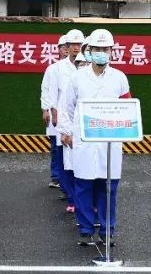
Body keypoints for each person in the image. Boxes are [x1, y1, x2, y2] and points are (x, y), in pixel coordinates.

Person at [59, 28, 131, 248]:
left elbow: (127, 108)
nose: (101, 52)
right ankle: (85, 229)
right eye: (97, 49)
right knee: (83, 186)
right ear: (89, 51)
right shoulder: (78, 78)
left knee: (108, 187)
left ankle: (107, 229)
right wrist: (68, 131)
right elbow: (66, 108)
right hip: (84, 143)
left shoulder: (119, 78)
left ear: (111, 51)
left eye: (105, 49)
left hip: (110, 143)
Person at [48, 30, 85, 212]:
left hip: (85, 122)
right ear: (67, 47)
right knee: (65, 160)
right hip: (65, 119)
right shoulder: (56, 69)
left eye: (80, 44)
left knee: (83, 162)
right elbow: (53, 95)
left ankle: (83, 200)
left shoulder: (89, 67)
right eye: (73, 45)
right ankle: (71, 197)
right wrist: (53, 115)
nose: (76, 48)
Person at [60, 47, 89, 215]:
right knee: (72, 170)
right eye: (79, 63)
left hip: (93, 136)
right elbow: (64, 108)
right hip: (73, 134)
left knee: (91, 174)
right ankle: (73, 201)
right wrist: (66, 132)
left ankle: (89, 205)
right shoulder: (73, 81)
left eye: (85, 62)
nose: (82, 65)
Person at [41, 34, 70, 189]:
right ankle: (56, 176)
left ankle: (68, 178)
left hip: (71, 115)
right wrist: (45, 109)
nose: (66, 50)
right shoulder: (52, 69)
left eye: (68, 46)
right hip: (55, 114)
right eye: (63, 47)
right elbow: (46, 90)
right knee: (55, 147)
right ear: (58, 50)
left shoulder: (81, 68)